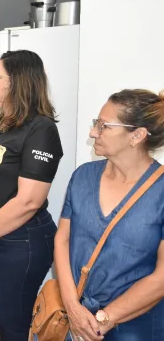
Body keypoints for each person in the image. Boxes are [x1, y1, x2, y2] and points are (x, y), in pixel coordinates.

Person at [0, 50, 63, 341]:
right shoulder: (1, 126)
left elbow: (29, 200)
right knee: (6, 314)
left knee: (15, 324)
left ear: (17, 82)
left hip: (20, 240)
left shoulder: (41, 128)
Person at [54, 89, 164, 341]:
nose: (93, 133)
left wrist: (104, 319)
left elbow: (162, 276)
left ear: (136, 135)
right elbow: (62, 239)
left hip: (136, 326)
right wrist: (72, 306)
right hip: (76, 315)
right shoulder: (83, 176)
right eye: (96, 123)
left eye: (104, 126)